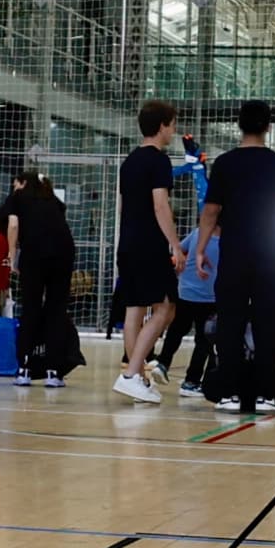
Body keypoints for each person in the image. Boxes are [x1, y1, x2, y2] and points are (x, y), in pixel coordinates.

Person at [196, 102, 275, 416]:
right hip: (267, 256)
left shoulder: (224, 163)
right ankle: (267, 394)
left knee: (231, 322)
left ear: (239, 125)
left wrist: (199, 249)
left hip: (234, 254)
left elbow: (211, 211)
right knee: (268, 324)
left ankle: (229, 393)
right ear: (269, 126)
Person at [110, 102, 187, 405]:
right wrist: (176, 246)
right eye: (172, 124)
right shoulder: (158, 161)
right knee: (166, 307)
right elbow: (160, 206)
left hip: (127, 244)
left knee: (135, 310)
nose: (174, 130)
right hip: (148, 245)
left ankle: (138, 378)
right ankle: (131, 374)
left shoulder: (129, 162)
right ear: (162, 126)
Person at [0, 169, 79, 388]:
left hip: (34, 254)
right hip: (63, 254)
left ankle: (24, 370)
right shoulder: (53, 200)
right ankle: (54, 372)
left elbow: (13, 225)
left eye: (16, 183)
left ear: (23, 183)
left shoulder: (18, 198)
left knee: (31, 309)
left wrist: (11, 257)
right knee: (56, 310)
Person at [161, 224, 224, 399]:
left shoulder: (198, 232)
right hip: (209, 298)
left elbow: (179, 249)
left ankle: (162, 362)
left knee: (176, 330)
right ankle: (191, 381)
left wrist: (181, 264)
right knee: (204, 341)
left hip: (186, 292)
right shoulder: (225, 242)